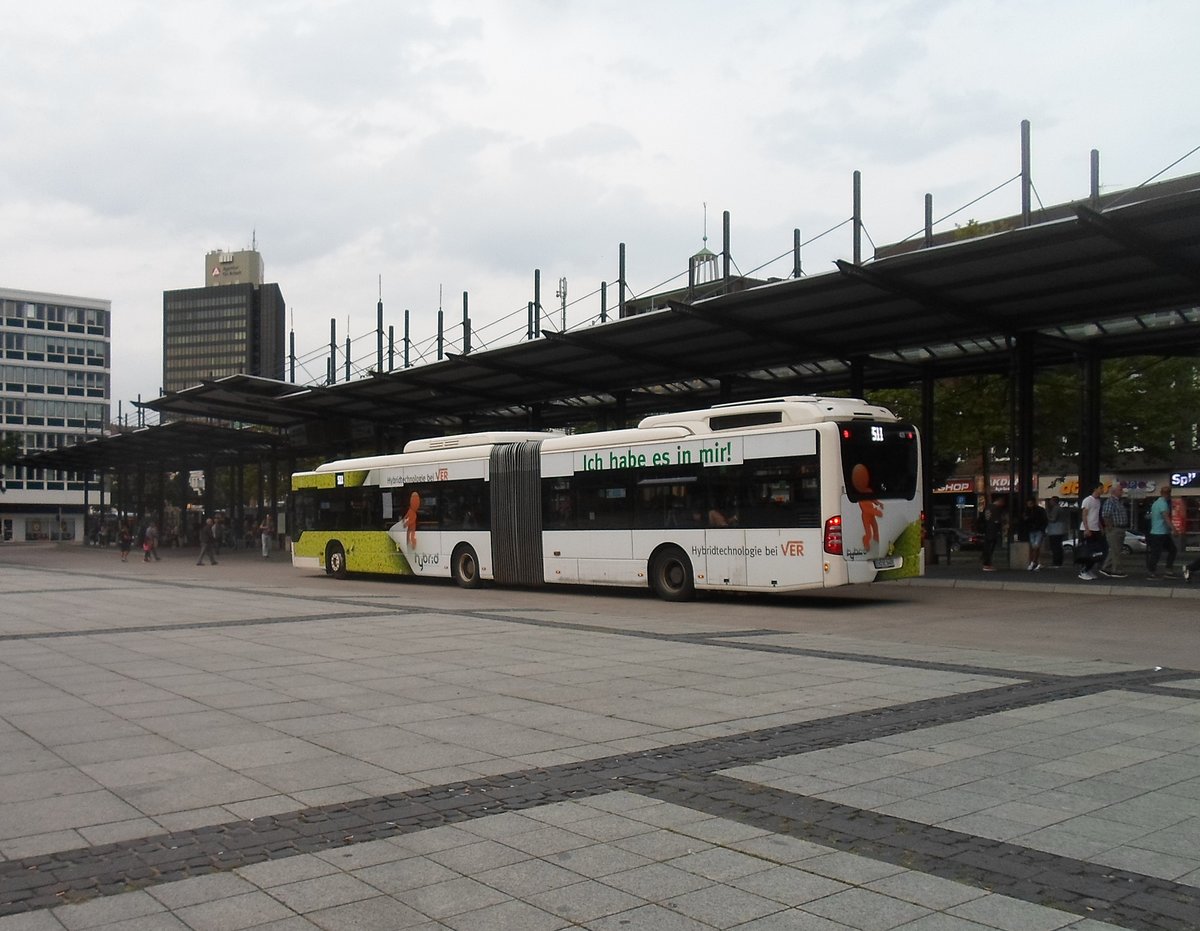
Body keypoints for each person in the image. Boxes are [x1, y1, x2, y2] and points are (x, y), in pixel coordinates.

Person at [1146, 485, 1177, 579]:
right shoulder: (1163, 504)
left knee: (1158, 552)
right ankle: (1158, 571)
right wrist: (1174, 529)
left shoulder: (1155, 503)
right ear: (1168, 494)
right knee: (1166, 551)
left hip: (1156, 532)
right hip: (1160, 532)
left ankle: (1154, 571)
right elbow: (1166, 517)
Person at [1099, 483, 1129, 578]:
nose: (1122, 492)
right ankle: (1116, 570)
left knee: (1115, 550)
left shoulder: (1118, 502)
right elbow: (1106, 515)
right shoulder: (1110, 502)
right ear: (1114, 491)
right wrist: (1110, 527)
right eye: (1120, 490)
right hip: (1115, 528)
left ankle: (1105, 567)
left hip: (1120, 528)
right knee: (1116, 551)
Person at [1077, 483, 1106, 581]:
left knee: (1097, 552)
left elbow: (1096, 516)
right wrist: (1086, 528)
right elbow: (1084, 515)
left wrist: (1101, 527)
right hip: (1088, 529)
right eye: (1101, 488)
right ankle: (1084, 570)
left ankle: (1089, 569)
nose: (1102, 490)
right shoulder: (1087, 500)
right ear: (1095, 489)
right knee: (1088, 551)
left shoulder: (1098, 501)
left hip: (1096, 528)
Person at [977, 497, 1003, 571]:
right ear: (999, 501)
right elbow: (997, 521)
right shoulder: (996, 509)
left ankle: (986, 563)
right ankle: (987, 565)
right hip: (992, 531)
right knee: (990, 548)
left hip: (987, 530)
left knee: (987, 547)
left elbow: (982, 518)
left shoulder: (988, 507)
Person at [1022, 498, 1047, 571]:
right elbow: (1045, 520)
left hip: (1035, 530)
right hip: (1036, 530)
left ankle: (1033, 562)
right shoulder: (1040, 510)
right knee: (1035, 547)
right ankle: (1036, 562)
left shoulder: (1028, 511)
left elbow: (1044, 520)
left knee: (1035, 547)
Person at [1044, 496, 1068, 567]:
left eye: (1051, 501)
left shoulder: (1056, 509)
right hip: (1060, 530)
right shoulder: (1060, 508)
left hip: (1055, 530)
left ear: (1054, 501)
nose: (1050, 502)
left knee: (1055, 547)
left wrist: (1047, 514)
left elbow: (1053, 519)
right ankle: (1058, 561)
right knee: (1058, 546)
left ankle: (1056, 562)